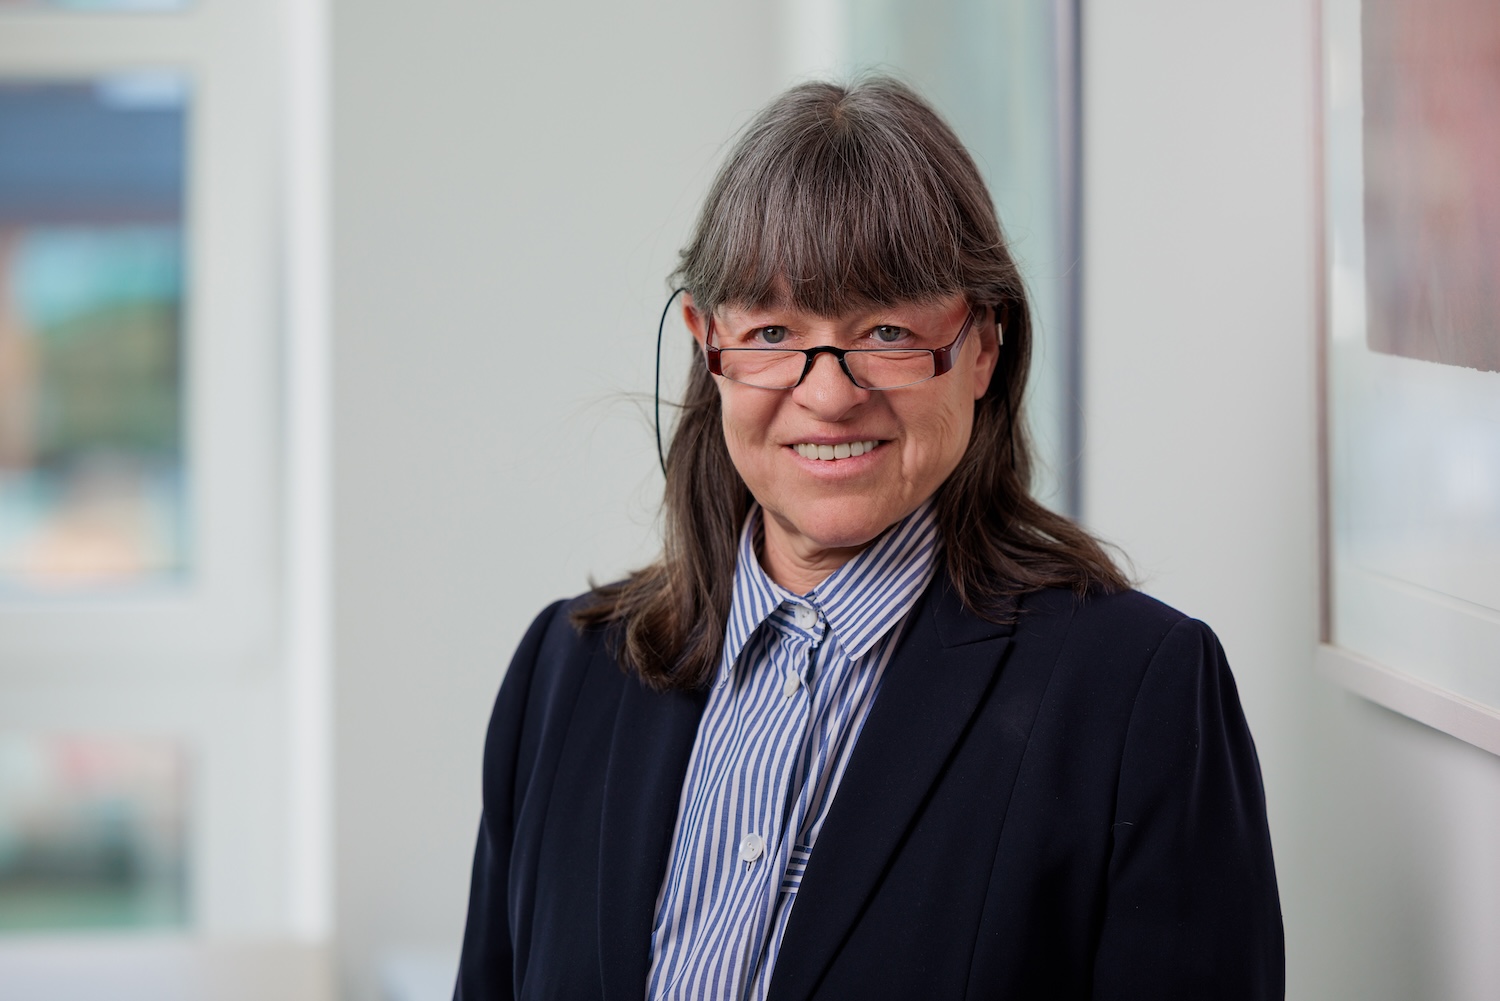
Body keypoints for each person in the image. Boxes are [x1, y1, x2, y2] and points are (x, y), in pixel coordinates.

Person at [454, 78, 1283, 1001]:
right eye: (772, 331)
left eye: (886, 329)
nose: (831, 391)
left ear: (982, 345)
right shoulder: (562, 679)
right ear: (705, 344)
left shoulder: (1137, 697)